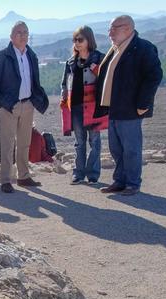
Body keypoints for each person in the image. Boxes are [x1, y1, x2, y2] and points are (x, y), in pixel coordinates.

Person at [93, 15, 162, 196]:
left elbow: (154, 76)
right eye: (109, 28)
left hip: (131, 108)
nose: (110, 32)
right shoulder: (115, 49)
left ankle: (132, 183)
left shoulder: (143, 48)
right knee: (116, 148)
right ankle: (119, 181)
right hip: (114, 107)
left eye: (115, 28)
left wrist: (143, 104)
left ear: (128, 28)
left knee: (131, 149)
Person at [0, 21, 48, 194]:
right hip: (9, 106)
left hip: (28, 104)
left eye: (25, 32)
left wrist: (37, 99)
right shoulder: (0, 57)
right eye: (19, 32)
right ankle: (5, 180)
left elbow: (34, 80)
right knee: (7, 144)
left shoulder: (31, 55)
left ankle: (23, 176)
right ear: (11, 37)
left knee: (24, 142)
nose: (23, 35)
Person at [61, 26, 106, 185]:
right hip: (76, 107)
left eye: (80, 40)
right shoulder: (70, 62)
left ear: (89, 40)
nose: (77, 43)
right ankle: (78, 174)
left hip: (93, 107)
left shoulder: (99, 58)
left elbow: (106, 81)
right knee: (79, 142)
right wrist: (64, 99)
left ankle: (93, 174)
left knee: (95, 141)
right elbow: (64, 84)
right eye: (75, 40)